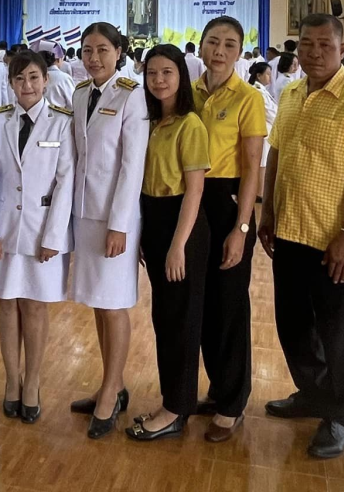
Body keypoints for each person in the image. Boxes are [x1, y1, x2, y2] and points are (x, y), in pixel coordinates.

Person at [258, 13, 344, 460]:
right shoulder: (291, 93)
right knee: (292, 324)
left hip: (334, 238)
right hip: (289, 231)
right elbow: (277, 155)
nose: (313, 53)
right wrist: (267, 209)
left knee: (339, 330)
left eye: (324, 46)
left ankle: (340, 416)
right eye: (306, 45)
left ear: (341, 48)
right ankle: (313, 393)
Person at [0, 50, 74, 425]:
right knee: (7, 305)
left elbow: (65, 180)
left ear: (46, 80)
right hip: (4, 229)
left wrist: (54, 234)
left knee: (35, 306)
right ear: (10, 83)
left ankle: (33, 381)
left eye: (34, 78)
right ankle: (11, 381)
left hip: (42, 232)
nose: (28, 86)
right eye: (20, 79)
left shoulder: (61, 123)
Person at [124, 45, 210, 442]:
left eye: (167, 73)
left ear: (181, 77)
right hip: (155, 221)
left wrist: (178, 245)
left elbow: (194, 192)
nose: (158, 80)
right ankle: (173, 399)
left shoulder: (190, 124)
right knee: (165, 317)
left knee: (181, 320)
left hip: (182, 226)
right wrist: (146, 235)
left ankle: (176, 409)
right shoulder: (152, 121)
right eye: (152, 73)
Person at [189, 17, 267, 442]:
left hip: (229, 202)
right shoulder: (190, 93)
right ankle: (218, 388)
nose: (219, 50)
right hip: (191, 200)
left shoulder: (249, 98)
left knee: (230, 302)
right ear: (201, 46)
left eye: (229, 44)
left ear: (240, 53)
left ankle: (234, 401)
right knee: (201, 302)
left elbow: (252, 165)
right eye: (213, 42)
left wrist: (242, 226)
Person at [68, 23, 147, 439]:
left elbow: (132, 167)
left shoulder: (132, 94)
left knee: (114, 304)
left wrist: (119, 224)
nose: (94, 58)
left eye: (102, 50)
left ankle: (112, 390)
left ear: (119, 51)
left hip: (115, 219)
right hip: (86, 214)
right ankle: (109, 384)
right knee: (98, 303)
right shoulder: (81, 94)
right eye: (87, 50)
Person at [41, 44, 76, 110]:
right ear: (58, 59)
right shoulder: (64, 78)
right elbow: (73, 103)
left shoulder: (37, 77)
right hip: (60, 117)